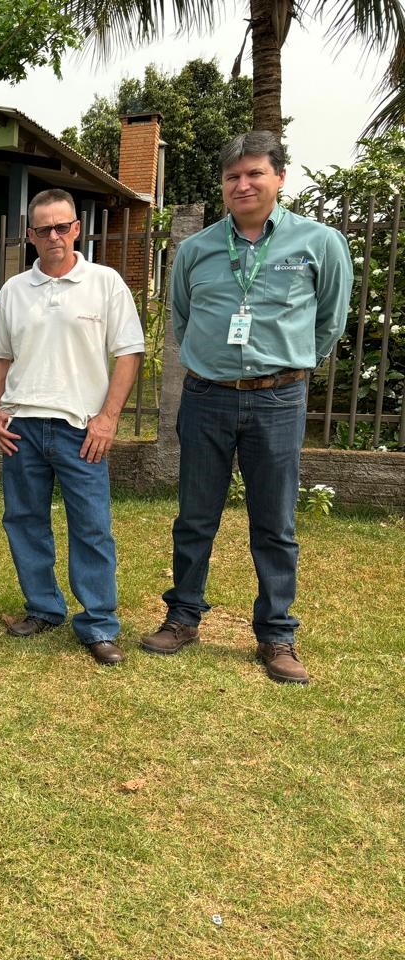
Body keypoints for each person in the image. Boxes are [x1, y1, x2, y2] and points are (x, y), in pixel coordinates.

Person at [141, 131, 352, 684]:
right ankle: (183, 617)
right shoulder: (197, 249)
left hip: (279, 399)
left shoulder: (319, 243)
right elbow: (183, 317)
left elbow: (330, 320)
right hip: (206, 397)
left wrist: (293, 364)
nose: (243, 184)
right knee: (195, 517)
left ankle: (277, 635)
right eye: (233, 176)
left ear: (279, 177)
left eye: (255, 173)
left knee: (275, 523)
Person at [0, 188, 145, 666]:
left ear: (77, 228)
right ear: (30, 235)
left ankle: (98, 624)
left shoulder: (106, 283)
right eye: (43, 229)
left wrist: (108, 418)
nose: (54, 236)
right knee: (24, 522)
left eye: (63, 226)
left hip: (81, 429)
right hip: (23, 428)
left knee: (92, 527)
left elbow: (129, 353)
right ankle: (43, 608)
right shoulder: (14, 289)